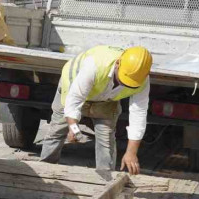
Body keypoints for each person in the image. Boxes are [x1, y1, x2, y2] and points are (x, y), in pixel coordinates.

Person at [40, 46, 152, 175]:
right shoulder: (94, 65)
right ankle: (44, 172)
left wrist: (131, 152)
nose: (123, 85)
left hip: (106, 99)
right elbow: (74, 101)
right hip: (73, 87)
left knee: (106, 141)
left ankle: (105, 181)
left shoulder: (141, 79)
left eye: (128, 84)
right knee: (57, 130)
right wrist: (74, 128)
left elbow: (139, 114)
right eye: (122, 79)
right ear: (117, 64)